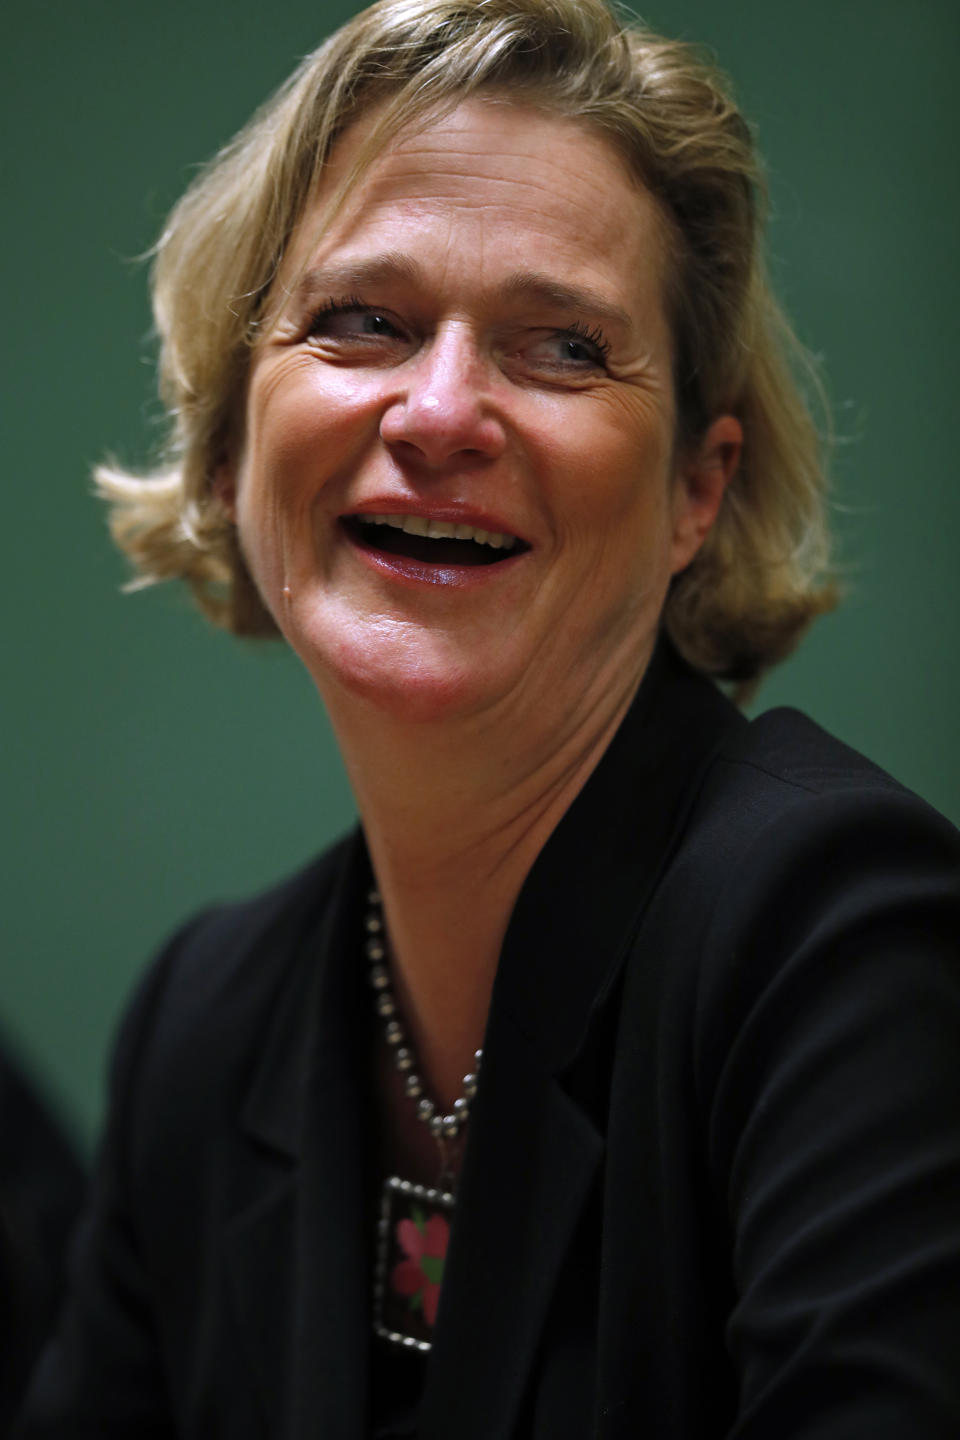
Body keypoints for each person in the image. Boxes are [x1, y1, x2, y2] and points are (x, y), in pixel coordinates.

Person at [17, 0, 960, 1434]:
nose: (442, 411)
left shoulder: (833, 938)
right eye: (362, 322)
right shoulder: (203, 1031)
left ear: (694, 494)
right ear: (226, 450)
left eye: (564, 348)